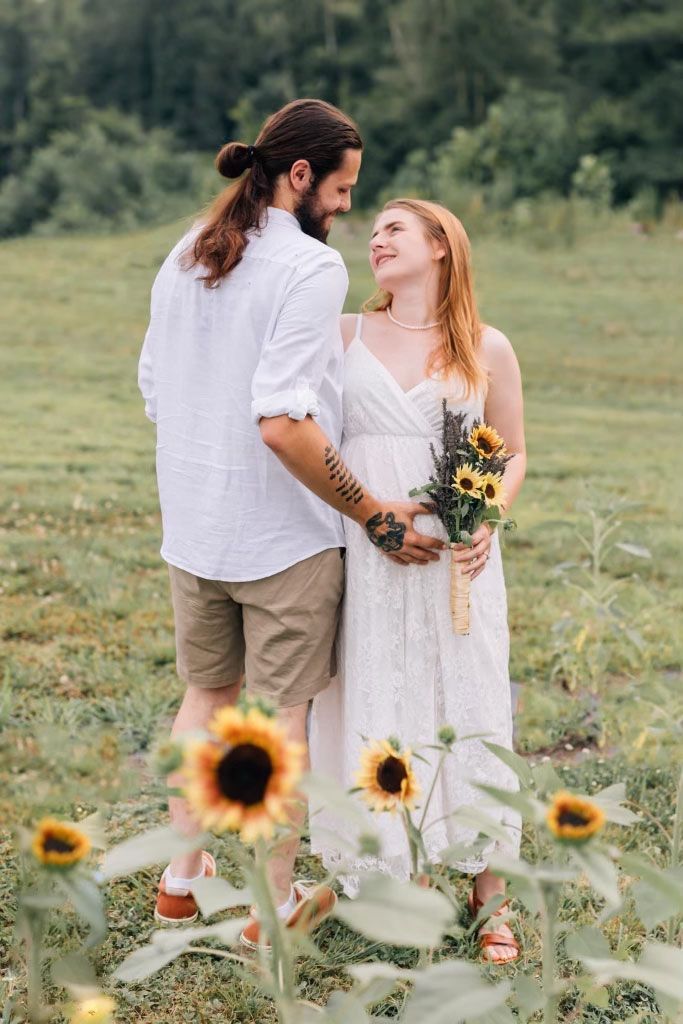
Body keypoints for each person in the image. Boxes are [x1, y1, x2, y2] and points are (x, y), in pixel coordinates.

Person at [137, 102, 442, 949]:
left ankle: (178, 884)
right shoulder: (309, 269)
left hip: (194, 527)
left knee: (205, 699)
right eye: (342, 188)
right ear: (298, 176)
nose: (347, 206)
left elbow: (153, 386)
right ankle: (268, 914)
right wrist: (373, 511)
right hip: (283, 539)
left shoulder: (183, 253)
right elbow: (283, 421)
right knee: (281, 721)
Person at [310, 198, 526, 964]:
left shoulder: (484, 346)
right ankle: (392, 874)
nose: (375, 240)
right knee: (376, 687)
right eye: (371, 232)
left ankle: (490, 895)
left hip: (455, 556)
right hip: (366, 545)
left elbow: (511, 454)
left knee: (464, 697)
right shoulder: (342, 333)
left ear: (440, 246)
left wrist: (488, 520)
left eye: (394, 229)